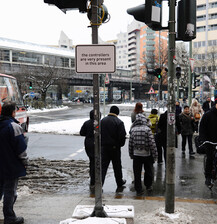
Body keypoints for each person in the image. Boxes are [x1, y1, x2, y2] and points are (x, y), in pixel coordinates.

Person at [0, 102, 27, 224]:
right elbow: (20, 148)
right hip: (10, 165)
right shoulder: (14, 126)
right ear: (12, 112)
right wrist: (24, 161)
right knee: (10, 192)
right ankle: (9, 217)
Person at [129, 113, 157, 196]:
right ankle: (148, 185)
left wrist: (131, 154)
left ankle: (138, 189)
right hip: (147, 154)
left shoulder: (133, 130)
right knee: (148, 170)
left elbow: (130, 143)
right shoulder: (147, 129)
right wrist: (155, 154)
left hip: (136, 155)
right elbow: (152, 143)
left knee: (137, 172)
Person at [101, 106, 126, 189]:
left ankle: (100, 183)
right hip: (115, 148)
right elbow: (122, 136)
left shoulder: (102, 121)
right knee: (117, 166)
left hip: (104, 147)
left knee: (103, 166)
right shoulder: (119, 122)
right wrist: (120, 144)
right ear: (117, 113)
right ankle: (119, 182)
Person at [199, 96, 217, 188]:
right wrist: (204, 140)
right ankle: (208, 177)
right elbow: (202, 128)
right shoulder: (208, 115)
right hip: (210, 141)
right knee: (210, 158)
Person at [80, 110, 96, 190]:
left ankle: (92, 177)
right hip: (96, 143)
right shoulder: (99, 123)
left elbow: (81, 133)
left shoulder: (86, 123)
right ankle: (94, 179)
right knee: (96, 162)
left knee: (91, 160)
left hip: (88, 143)